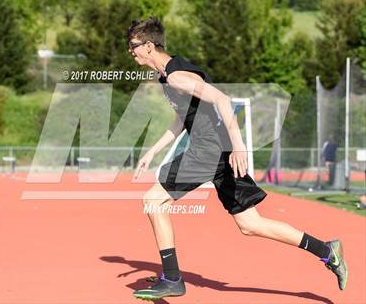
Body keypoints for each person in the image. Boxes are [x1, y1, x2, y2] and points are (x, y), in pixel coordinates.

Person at [127, 17, 348, 301]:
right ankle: (327, 251)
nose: (129, 51)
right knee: (251, 225)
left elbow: (222, 99)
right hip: (219, 154)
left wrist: (239, 145)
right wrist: (153, 150)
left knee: (153, 200)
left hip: (210, 150)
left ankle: (172, 278)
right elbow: (183, 117)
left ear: (148, 45)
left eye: (132, 46)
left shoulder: (177, 76)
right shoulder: (167, 76)